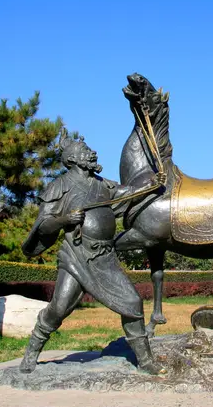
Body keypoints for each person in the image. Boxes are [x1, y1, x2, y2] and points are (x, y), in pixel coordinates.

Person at [20, 130, 165, 375]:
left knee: (132, 302)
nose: (92, 153)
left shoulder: (102, 184)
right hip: (77, 256)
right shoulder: (60, 186)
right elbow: (43, 224)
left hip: (105, 258)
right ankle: (32, 350)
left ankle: (146, 361)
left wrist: (151, 185)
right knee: (58, 308)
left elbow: (127, 193)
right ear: (73, 159)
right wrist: (64, 218)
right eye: (86, 151)